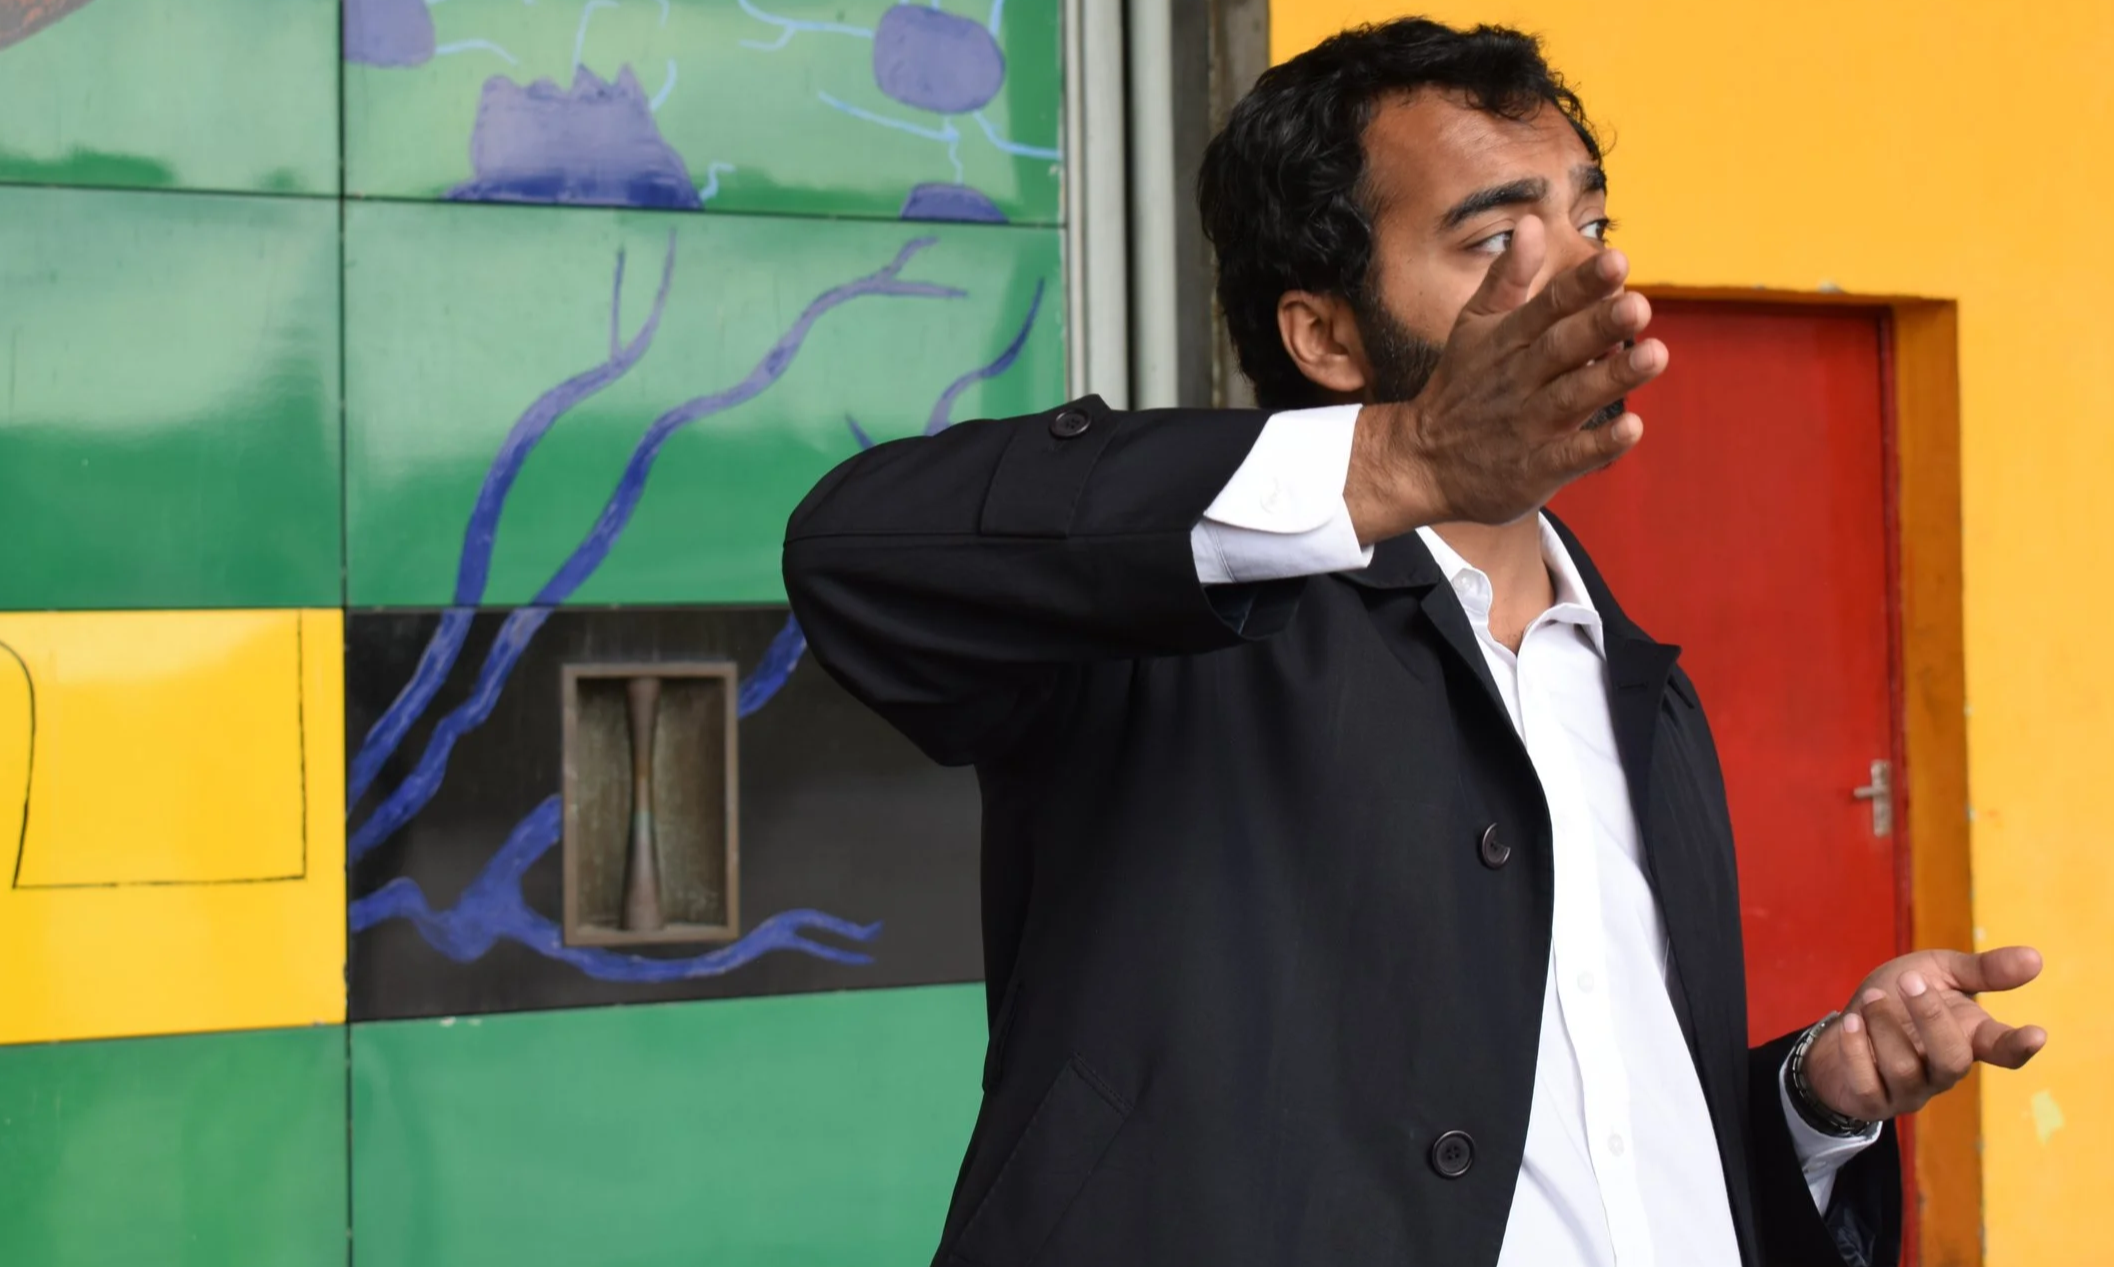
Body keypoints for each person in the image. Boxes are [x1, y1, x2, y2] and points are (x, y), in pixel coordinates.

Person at [783, 17, 2047, 1267]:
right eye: (1496, 239)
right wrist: (1404, 456)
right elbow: (854, 558)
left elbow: (1594, 1133)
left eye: (1589, 224)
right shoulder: (1155, 631)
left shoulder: (1637, 692)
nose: (1584, 281)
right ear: (1323, 335)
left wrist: (1813, 1106)